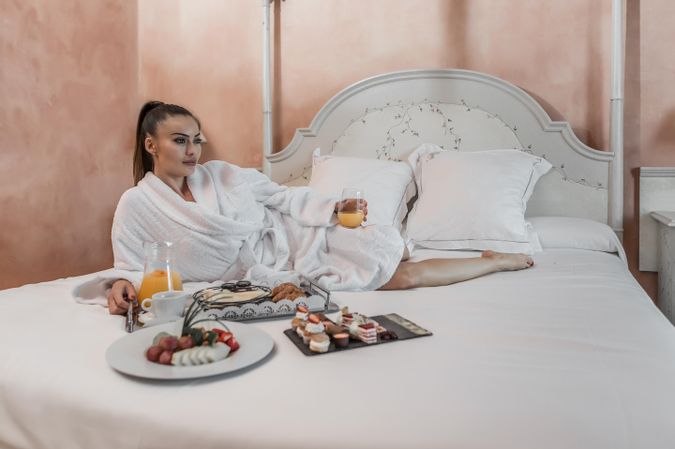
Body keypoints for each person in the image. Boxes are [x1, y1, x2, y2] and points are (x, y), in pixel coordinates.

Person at [106, 101, 533, 315]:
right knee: (397, 275)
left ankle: (494, 259)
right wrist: (119, 287)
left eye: (196, 139)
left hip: (294, 238)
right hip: (258, 273)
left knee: (391, 259)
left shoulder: (222, 175)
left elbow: (284, 197)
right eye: (180, 140)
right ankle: (488, 261)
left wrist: (333, 208)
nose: (192, 150)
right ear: (151, 145)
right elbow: (127, 265)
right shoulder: (137, 204)